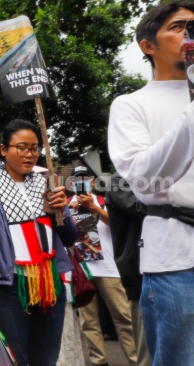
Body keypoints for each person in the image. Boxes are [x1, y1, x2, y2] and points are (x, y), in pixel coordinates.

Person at [107, 2, 194, 364]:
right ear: (148, 45)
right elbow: (144, 181)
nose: (191, 34)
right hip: (175, 259)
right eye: (180, 26)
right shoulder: (130, 105)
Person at [0, 119, 77, 366]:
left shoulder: (50, 185)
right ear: (3, 149)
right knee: (16, 358)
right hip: (9, 288)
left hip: (50, 284)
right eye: (21, 147)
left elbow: (70, 237)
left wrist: (61, 212)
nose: (29, 154)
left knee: (46, 358)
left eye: (34, 148)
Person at [68, 165, 137, 366]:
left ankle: (136, 360)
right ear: (71, 183)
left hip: (109, 269)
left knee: (125, 318)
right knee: (88, 322)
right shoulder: (65, 205)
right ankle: (99, 361)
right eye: (77, 179)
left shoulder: (104, 202)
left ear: (92, 182)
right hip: (83, 271)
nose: (81, 182)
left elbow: (119, 225)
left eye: (85, 178)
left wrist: (93, 208)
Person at [105, 173, 151, 366]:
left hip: (179, 270)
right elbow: (146, 209)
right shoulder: (119, 182)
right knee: (147, 352)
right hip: (140, 276)